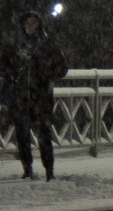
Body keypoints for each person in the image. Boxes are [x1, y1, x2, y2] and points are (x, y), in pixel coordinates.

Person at [1, 11, 68, 180]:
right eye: (27, 23)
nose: (30, 27)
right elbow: (4, 65)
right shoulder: (16, 45)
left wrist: (45, 74)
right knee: (22, 134)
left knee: (44, 134)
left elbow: (62, 68)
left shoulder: (47, 45)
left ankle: (49, 170)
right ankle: (27, 168)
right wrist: (11, 75)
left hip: (41, 96)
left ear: (39, 25)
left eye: (33, 23)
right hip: (20, 96)